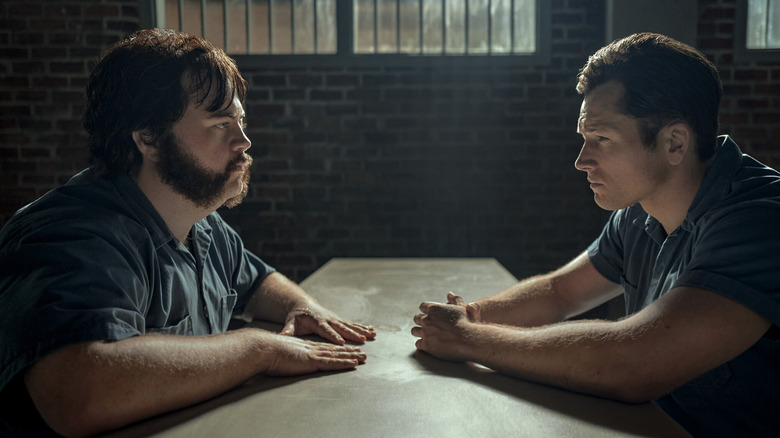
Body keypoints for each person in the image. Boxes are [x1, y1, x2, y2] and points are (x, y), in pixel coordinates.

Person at [0, 28, 375, 437]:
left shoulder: (201, 223)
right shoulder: (68, 235)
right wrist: (259, 349)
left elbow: (258, 281)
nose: (243, 141)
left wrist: (302, 309)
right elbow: (78, 393)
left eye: (240, 121)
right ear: (149, 137)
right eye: (219, 124)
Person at [412, 32, 779, 437]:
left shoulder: (759, 221)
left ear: (674, 142)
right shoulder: (640, 210)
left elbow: (633, 364)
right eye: (584, 139)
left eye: (602, 139)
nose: (581, 161)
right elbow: (560, 293)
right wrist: (468, 317)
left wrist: (468, 339)